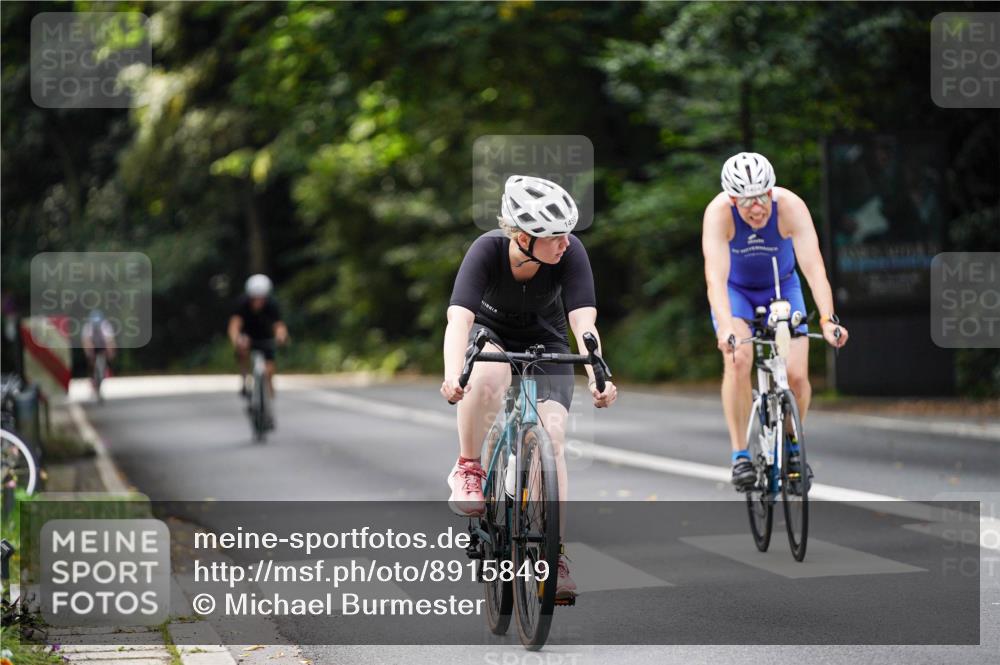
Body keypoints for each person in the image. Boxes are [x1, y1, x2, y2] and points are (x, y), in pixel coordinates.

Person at [441, 175, 618, 600]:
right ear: (523, 237)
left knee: (552, 435)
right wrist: (453, 373)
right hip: (490, 334)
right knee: (489, 375)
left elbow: (583, 323)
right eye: (555, 236)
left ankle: (552, 556)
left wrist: (598, 372)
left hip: (546, 339)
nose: (565, 243)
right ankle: (468, 467)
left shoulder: (571, 253)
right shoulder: (485, 251)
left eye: (567, 234)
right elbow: (459, 320)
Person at [701, 152, 849, 488]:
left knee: (796, 375)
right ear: (732, 199)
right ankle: (740, 455)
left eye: (763, 197)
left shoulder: (791, 207)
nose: (757, 208)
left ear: (772, 191)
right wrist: (725, 327)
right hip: (736, 292)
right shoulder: (718, 214)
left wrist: (827, 318)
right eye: (747, 201)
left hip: (782, 288)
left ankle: (793, 445)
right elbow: (715, 278)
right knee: (738, 359)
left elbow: (813, 267)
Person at [227, 274, 289, 425]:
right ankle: (245, 381)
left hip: (265, 339)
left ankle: (269, 406)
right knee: (242, 351)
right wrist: (237, 340)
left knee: (269, 371)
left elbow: (279, 326)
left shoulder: (272, 305)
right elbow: (234, 326)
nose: (258, 301)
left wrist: (281, 337)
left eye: (261, 298)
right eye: (255, 298)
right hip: (247, 337)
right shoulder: (242, 304)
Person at [81, 309, 116, 396]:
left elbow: (110, 340)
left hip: (102, 346)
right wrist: (88, 353)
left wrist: (110, 352)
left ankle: (103, 373)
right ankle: (92, 378)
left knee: (105, 360)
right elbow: (86, 341)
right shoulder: (88, 326)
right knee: (91, 362)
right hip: (92, 346)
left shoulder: (105, 326)